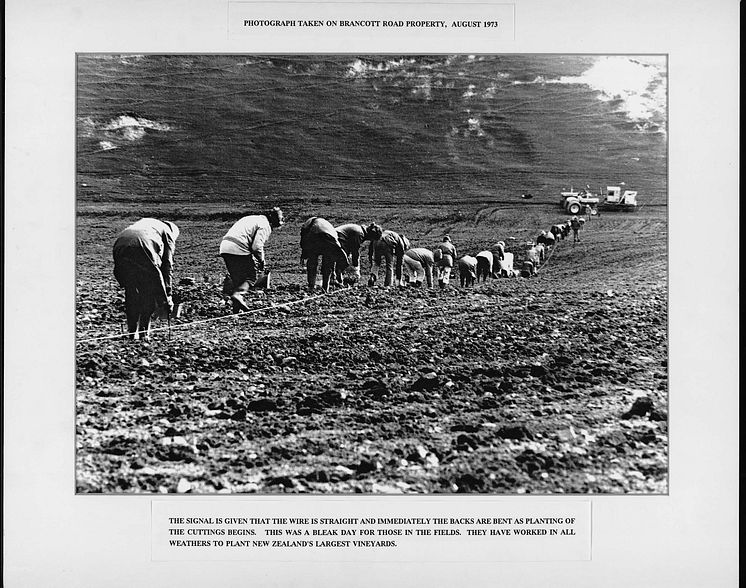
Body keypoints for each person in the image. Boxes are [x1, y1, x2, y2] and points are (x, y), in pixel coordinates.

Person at [113, 218, 179, 341]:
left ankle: (132, 333)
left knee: (131, 290)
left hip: (120, 244)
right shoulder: (168, 233)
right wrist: (167, 296)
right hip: (142, 246)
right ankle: (144, 333)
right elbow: (167, 265)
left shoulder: (150, 224)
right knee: (148, 292)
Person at [219, 207, 284, 313]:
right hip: (238, 247)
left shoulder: (252, 218)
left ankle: (236, 309)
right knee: (251, 276)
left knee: (238, 279)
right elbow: (257, 247)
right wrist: (262, 261)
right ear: (274, 220)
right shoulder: (265, 225)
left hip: (225, 247)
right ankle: (238, 295)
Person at [300, 217, 349, 293]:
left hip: (316, 236)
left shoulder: (308, 224)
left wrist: (304, 252)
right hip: (326, 237)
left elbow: (304, 237)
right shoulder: (330, 229)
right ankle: (325, 288)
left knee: (313, 261)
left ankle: (311, 287)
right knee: (327, 263)